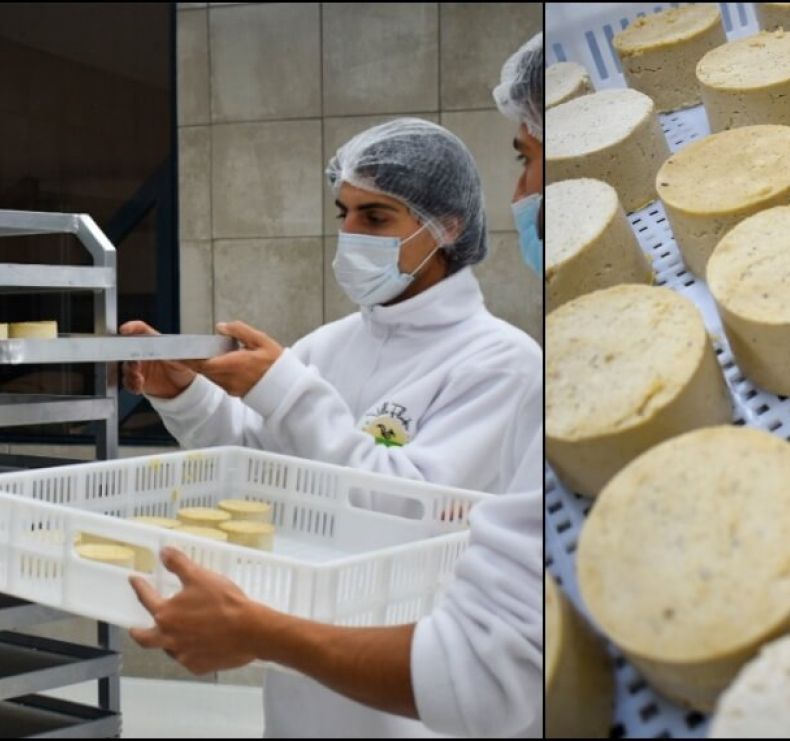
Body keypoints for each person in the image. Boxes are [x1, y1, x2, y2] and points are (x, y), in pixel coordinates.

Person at [127, 33, 547, 738]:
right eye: (344, 214)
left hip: (411, 697)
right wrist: (182, 392)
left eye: (377, 217)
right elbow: (259, 467)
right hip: (301, 682)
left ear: (446, 227)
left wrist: (285, 388)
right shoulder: (330, 344)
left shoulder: (501, 362)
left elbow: (406, 507)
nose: (352, 234)